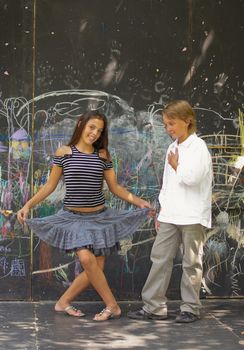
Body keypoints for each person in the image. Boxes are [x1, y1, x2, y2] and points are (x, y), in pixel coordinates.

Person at [17, 110, 153, 322]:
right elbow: (50, 186)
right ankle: (113, 305)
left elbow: (115, 187)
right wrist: (28, 205)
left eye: (99, 130)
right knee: (87, 259)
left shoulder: (102, 155)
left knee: (96, 268)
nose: (95, 133)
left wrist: (139, 201)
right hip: (73, 218)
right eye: (92, 127)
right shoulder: (64, 153)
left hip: (100, 218)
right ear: (81, 124)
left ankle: (62, 303)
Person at [128, 100, 212, 323]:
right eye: (166, 124)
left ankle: (191, 308)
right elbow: (167, 183)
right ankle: (154, 307)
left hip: (193, 215)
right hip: (170, 215)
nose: (168, 129)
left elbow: (193, 179)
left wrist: (177, 165)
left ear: (188, 121)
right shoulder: (172, 147)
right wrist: (161, 211)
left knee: (191, 262)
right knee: (160, 259)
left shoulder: (199, 147)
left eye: (171, 123)